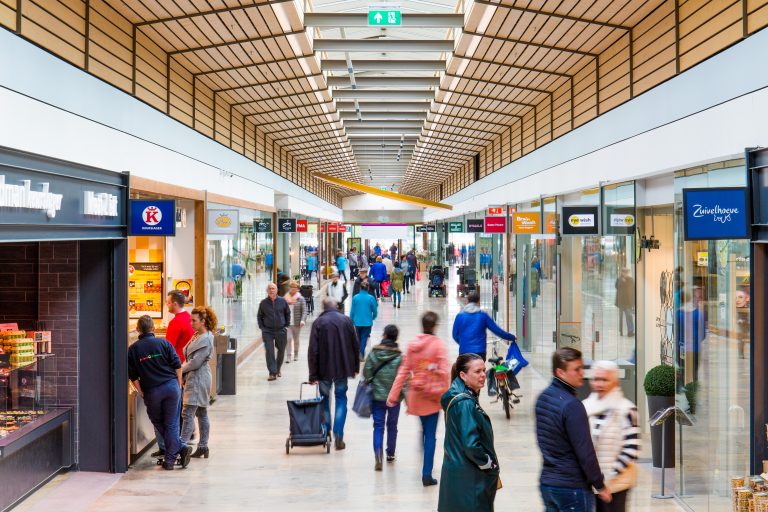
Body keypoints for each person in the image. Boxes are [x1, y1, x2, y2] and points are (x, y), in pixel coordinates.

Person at [536, 347, 610, 511]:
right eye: (576, 369)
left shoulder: (543, 398)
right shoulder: (572, 405)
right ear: (560, 372)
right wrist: (600, 485)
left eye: (582, 368)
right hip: (572, 488)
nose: (582, 373)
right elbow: (585, 451)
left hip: (548, 485)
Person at [387, 312, 450, 487]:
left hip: (416, 395)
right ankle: (427, 474)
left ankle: (425, 457)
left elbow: (403, 371)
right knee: (431, 435)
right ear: (435, 326)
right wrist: (448, 396)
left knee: (424, 430)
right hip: (432, 395)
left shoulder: (413, 345)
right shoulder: (438, 345)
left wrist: (393, 396)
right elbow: (445, 373)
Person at [128, 315, 192, 470]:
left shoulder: (133, 349)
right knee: (171, 423)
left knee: (159, 422)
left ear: (137, 329)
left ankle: (176, 453)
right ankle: (174, 455)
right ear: (153, 328)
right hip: (171, 387)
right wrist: (178, 384)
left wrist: (140, 390)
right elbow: (177, 365)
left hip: (152, 390)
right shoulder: (164, 343)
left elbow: (133, 375)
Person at [438, 354, 499, 512]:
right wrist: (487, 463)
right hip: (470, 478)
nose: (483, 375)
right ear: (463, 375)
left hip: (458, 473)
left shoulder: (461, 396)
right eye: (477, 371)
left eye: (484, 370)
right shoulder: (465, 403)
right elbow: (470, 444)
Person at [583, 361, 640, 512]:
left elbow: (631, 450)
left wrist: (608, 480)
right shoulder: (585, 406)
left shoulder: (627, 409)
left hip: (616, 486)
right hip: (593, 484)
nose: (599, 384)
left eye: (604, 380)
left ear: (615, 382)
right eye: (596, 379)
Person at [308, 298, 360, 450]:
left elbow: (313, 350)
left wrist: (313, 374)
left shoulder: (318, 323)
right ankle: (339, 434)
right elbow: (355, 346)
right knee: (341, 398)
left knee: (324, 400)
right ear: (336, 306)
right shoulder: (346, 321)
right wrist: (355, 366)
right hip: (342, 368)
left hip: (324, 370)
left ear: (323, 307)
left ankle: (326, 431)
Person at [363, 324, 404, 471]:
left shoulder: (374, 353)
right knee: (392, 426)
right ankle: (390, 454)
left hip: (377, 396)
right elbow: (404, 378)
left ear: (384, 335)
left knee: (378, 427)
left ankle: (378, 455)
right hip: (394, 398)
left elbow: (367, 373)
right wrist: (402, 395)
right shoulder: (400, 356)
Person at [180, 306, 215, 459]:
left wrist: (179, 370)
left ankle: (180, 447)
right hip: (196, 377)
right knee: (201, 411)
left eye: (194, 320)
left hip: (198, 378)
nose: (191, 323)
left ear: (203, 321)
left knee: (188, 412)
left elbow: (195, 362)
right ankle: (203, 446)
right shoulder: (197, 335)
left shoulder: (205, 339)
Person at [452, 292, 516, 361]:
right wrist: (511, 337)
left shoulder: (460, 316)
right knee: (479, 371)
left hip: (464, 352)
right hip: (479, 352)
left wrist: (464, 343)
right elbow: (497, 331)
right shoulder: (483, 315)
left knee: (466, 371)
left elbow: (455, 335)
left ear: (468, 301)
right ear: (478, 301)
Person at [257, 283, 291, 381]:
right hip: (267, 331)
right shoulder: (263, 303)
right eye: (270, 289)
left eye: (273, 288)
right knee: (269, 351)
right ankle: (272, 373)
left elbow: (287, 313)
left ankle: (277, 368)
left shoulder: (282, 301)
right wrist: (262, 327)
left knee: (281, 350)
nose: (271, 290)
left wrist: (286, 326)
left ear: (276, 290)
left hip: (281, 330)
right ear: (267, 291)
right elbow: (259, 316)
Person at [350, 281, 378, 361]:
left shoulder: (355, 297)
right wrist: (373, 317)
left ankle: (358, 352)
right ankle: (361, 352)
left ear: (360, 288)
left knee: (358, 338)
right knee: (364, 338)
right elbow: (375, 310)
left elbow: (352, 310)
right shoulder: (371, 298)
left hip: (357, 322)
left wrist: (351, 319)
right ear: (368, 288)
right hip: (367, 322)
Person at [165, 290, 195, 363]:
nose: (167, 305)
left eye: (168, 303)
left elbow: (168, 347)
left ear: (175, 304)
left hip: (178, 363)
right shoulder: (190, 317)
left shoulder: (175, 322)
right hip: (189, 360)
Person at [284, 280, 307, 363]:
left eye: (295, 287)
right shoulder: (285, 298)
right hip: (287, 322)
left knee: (296, 339)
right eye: (292, 287)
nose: (293, 289)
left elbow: (304, 311)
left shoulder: (301, 299)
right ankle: (288, 356)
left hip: (297, 323)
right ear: (289, 288)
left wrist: (302, 320)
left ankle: (296, 354)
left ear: (297, 289)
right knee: (288, 339)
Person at [615, 268, 635, 337]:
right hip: (621, 302)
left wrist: (633, 302)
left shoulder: (630, 280)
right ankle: (621, 331)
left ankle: (630, 331)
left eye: (626, 272)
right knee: (621, 317)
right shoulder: (619, 279)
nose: (625, 274)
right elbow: (616, 286)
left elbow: (633, 290)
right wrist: (622, 281)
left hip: (628, 302)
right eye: (623, 272)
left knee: (629, 316)